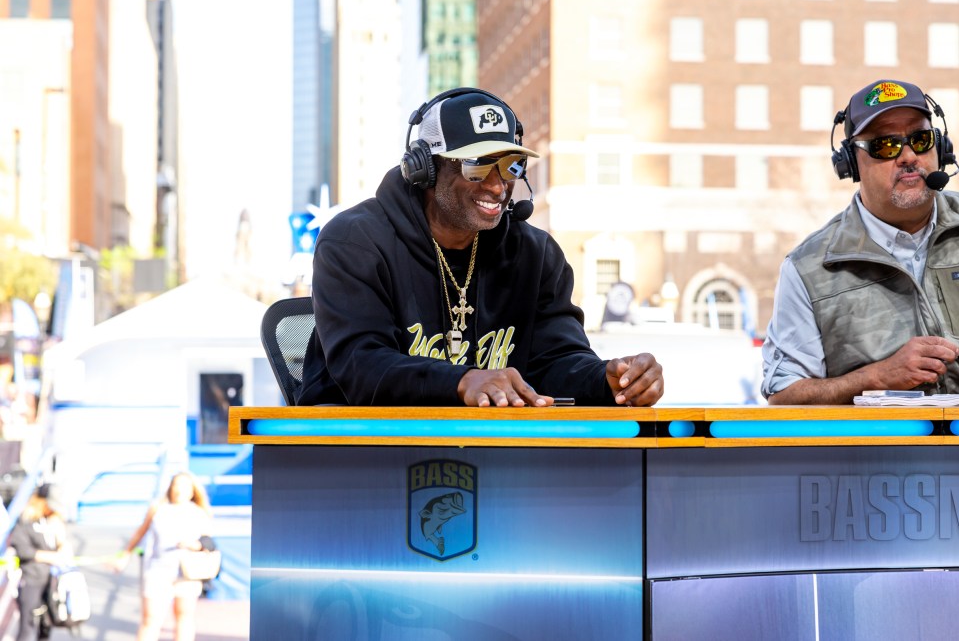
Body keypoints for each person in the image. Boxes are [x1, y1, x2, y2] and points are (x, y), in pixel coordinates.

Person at [296, 87, 664, 407]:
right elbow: (362, 366)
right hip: (358, 449)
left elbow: (556, 360)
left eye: (510, 166)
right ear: (425, 169)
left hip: (488, 450)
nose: (498, 185)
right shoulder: (354, 242)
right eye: (477, 165)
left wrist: (607, 380)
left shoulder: (535, 255)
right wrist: (461, 381)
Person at [761, 79, 959, 405]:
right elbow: (784, 396)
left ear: (941, 148)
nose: (908, 156)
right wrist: (875, 377)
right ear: (850, 163)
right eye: (885, 145)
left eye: (921, 139)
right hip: (883, 440)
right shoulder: (809, 268)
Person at [115, 472, 214, 641]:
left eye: (185, 486)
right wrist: (125, 554)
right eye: (176, 484)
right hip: (157, 571)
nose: (179, 489)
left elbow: (208, 542)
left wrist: (194, 545)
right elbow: (140, 533)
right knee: (150, 619)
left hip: (187, 572)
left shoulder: (199, 513)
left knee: (184, 617)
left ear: (192, 491)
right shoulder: (158, 509)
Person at [8, 484, 73, 641]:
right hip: (30, 579)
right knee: (27, 629)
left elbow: (61, 546)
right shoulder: (25, 521)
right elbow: (23, 550)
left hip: (50, 580)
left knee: (46, 625)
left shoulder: (51, 521)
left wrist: (62, 542)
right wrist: (50, 557)